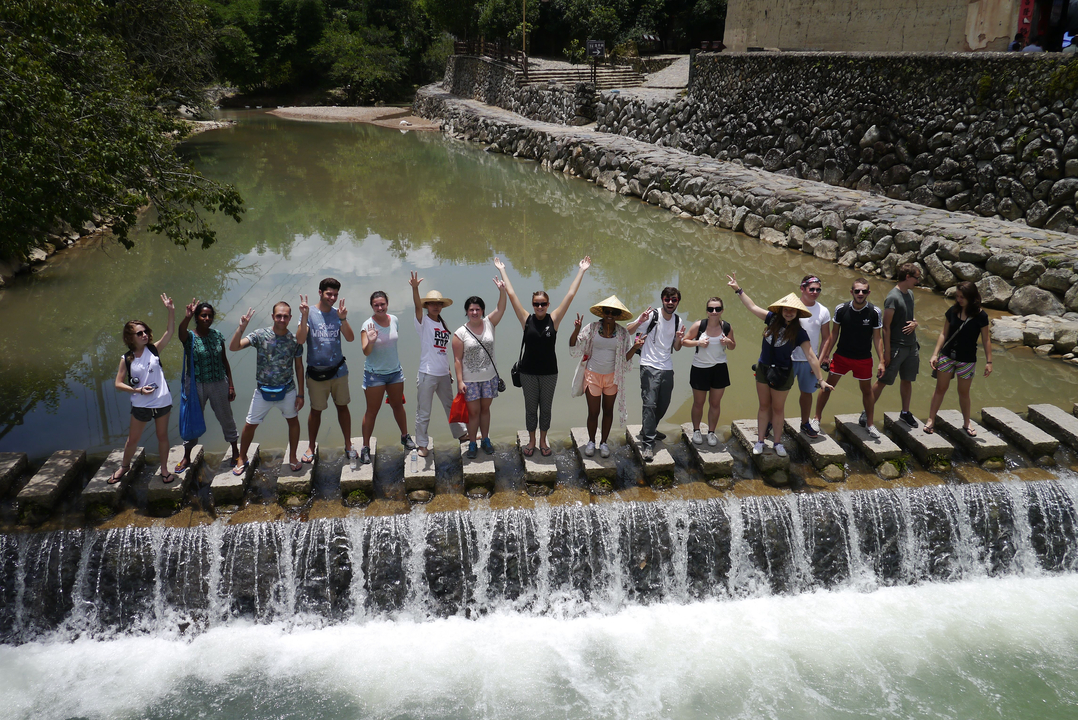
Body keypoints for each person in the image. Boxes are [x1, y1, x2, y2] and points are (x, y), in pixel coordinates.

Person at [494, 255, 591, 456]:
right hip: (527, 373)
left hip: (549, 373)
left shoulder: (553, 319)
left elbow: (570, 295)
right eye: (536, 304)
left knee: (545, 409)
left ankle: (543, 441)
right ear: (532, 304)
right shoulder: (526, 319)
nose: (540, 307)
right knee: (531, 409)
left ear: (548, 304)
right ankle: (531, 442)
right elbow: (511, 295)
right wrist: (503, 269)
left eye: (543, 304)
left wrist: (581, 270)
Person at [727, 275, 832, 457]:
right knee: (763, 406)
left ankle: (777, 442)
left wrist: (821, 380)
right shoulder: (772, 319)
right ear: (781, 309)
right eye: (786, 309)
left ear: (797, 312)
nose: (789, 312)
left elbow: (811, 356)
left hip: (783, 372)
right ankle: (760, 441)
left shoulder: (799, 332)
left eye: (793, 310)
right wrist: (738, 289)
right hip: (763, 368)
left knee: (778, 409)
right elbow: (752, 307)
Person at [229, 302, 305, 474]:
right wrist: (241, 328)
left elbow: (299, 367)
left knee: (293, 422)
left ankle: (293, 457)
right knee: (249, 425)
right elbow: (234, 347)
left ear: (290, 318)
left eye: (285, 316)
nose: (282, 319)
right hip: (263, 391)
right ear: (272, 316)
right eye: (279, 315)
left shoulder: (295, 340)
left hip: (287, 390)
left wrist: (301, 393)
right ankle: (242, 457)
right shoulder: (259, 335)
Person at [111, 294, 177, 483]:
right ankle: (124, 466)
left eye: (145, 331)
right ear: (130, 338)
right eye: (139, 333)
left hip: (162, 401)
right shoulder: (127, 358)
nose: (144, 335)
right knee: (133, 439)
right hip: (141, 403)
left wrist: (170, 311)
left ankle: (164, 470)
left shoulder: (154, 350)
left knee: (162, 436)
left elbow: (169, 332)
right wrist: (138, 391)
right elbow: (118, 383)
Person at [813, 279, 885, 438]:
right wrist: (826, 355)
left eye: (864, 291)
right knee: (827, 386)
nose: (860, 294)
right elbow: (834, 333)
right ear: (851, 292)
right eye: (857, 291)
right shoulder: (841, 309)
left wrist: (882, 361)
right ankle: (816, 419)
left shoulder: (875, 312)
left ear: (868, 293)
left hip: (864, 358)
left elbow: (877, 338)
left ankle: (870, 424)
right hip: (842, 356)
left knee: (866, 390)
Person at [296, 278, 355, 465]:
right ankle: (311, 446)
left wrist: (343, 319)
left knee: (343, 407)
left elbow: (351, 338)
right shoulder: (309, 313)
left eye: (335, 294)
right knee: (316, 411)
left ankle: (348, 444)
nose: (333, 297)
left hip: (338, 371)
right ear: (320, 292)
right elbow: (300, 340)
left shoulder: (338, 314)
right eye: (329, 293)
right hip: (316, 373)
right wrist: (304, 317)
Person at [175, 299, 239, 471]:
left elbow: (224, 360)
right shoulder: (190, 337)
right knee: (192, 419)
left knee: (226, 417)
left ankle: (235, 451)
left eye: (210, 316)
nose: (207, 319)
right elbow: (180, 333)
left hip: (218, 382)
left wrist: (231, 385)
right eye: (203, 315)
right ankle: (187, 457)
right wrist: (186, 317)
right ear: (197, 317)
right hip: (196, 385)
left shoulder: (217, 335)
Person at [568, 295, 635, 458]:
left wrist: (637, 347)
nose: (610, 314)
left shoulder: (623, 333)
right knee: (593, 411)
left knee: (608, 410)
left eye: (614, 312)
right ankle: (591, 441)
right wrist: (577, 329)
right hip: (592, 375)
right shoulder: (591, 328)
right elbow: (573, 346)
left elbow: (626, 359)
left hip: (613, 377)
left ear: (618, 315)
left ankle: (603, 442)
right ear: (602, 313)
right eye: (607, 311)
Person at [409, 273, 468, 455]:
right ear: (427, 305)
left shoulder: (443, 324)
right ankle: (422, 444)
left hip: (443, 373)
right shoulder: (423, 321)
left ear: (442, 306)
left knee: (451, 406)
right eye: (432, 303)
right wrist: (415, 288)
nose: (436, 306)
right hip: (427, 373)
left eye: (438, 303)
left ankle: (461, 434)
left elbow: (442, 350)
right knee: (424, 411)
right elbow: (417, 307)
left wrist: (449, 369)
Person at [924, 281, 992, 435]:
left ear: (971, 297)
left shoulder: (981, 316)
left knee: (964, 392)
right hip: (948, 356)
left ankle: (967, 422)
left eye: (962, 297)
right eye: (957, 296)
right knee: (940, 389)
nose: (959, 300)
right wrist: (935, 353)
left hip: (967, 359)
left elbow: (986, 340)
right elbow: (943, 333)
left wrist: (989, 362)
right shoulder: (952, 311)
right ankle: (931, 420)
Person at [625, 286, 685, 461]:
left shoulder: (678, 321)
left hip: (667, 366)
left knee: (663, 403)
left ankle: (647, 429)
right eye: (667, 299)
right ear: (662, 300)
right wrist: (639, 321)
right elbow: (627, 330)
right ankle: (648, 443)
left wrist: (680, 338)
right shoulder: (652, 315)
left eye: (674, 299)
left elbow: (676, 348)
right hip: (649, 365)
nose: (670, 302)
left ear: (678, 301)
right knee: (650, 404)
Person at [452, 276, 508, 459]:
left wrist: (502, 291)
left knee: (485, 410)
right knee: (473, 412)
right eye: (471, 310)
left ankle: (485, 439)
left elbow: (501, 308)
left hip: (489, 377)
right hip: (470, 380)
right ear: (467, 312)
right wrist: (460, 381)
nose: (474, 312)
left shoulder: (490, 323)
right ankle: (473, 444)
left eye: (477, 309)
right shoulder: (460, 333)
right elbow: (457, 360)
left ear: (482, 310)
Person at [360, 291, 415, 464]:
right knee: (372, 411)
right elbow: (365, 352)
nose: (380, 307)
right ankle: (365, 447)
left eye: (382, 304)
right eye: (376, 305)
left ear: (387, 304)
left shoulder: (394, 320)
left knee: (398, 405)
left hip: (395, 373)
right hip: (375, 375)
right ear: (372, 306)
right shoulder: (367, 325)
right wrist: (370, 340)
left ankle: (405, 437)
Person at [681, 296, 736, 447]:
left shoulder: (727, 327)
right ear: (707, 311)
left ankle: (711, 432)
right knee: (699, 402)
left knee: (715, 403)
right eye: (711, 309)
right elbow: (684, 341)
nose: (714, 312)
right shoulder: (699, 325)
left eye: (717, 309)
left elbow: (732, 347)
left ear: (722, 311)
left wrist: (728, 342)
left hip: (719, 368)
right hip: (700, 368)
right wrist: (698, 342)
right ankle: (697, 430)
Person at [872, 263, 922, 428]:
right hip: (896, 347)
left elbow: (910, 318)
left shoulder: (911, 295)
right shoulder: (893, 297)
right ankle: (867, 411)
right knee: (882, 380)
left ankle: (905, 412)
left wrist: (915, 324)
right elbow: (886, 327)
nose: (918, 281)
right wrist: (886, 352)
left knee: (907, 380)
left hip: (911, 346)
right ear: (907, 277)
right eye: (916, 277)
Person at [791, 275, 831, 438]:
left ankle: (805, 423)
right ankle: (771, 422)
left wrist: (819, 362)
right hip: (789, 359)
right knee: (780, 392)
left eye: (818, 289)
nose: (815, 292)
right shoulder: (790, 306)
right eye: (811, 289)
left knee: (806, 393)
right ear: (802, 288)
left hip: (810, 361)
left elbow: (826, 338)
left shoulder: (823, 311)